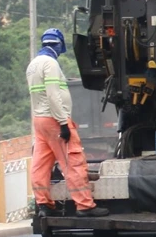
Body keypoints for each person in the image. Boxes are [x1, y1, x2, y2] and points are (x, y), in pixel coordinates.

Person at [27, 29, 108, 218]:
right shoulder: (50, 64)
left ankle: (44, 205)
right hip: (54, 120)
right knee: (73, 162)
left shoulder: (33, 64)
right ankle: (85, 206)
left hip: (39, 121)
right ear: (59, 45)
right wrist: (63, 123)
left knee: (40, 164)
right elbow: (52, 95)